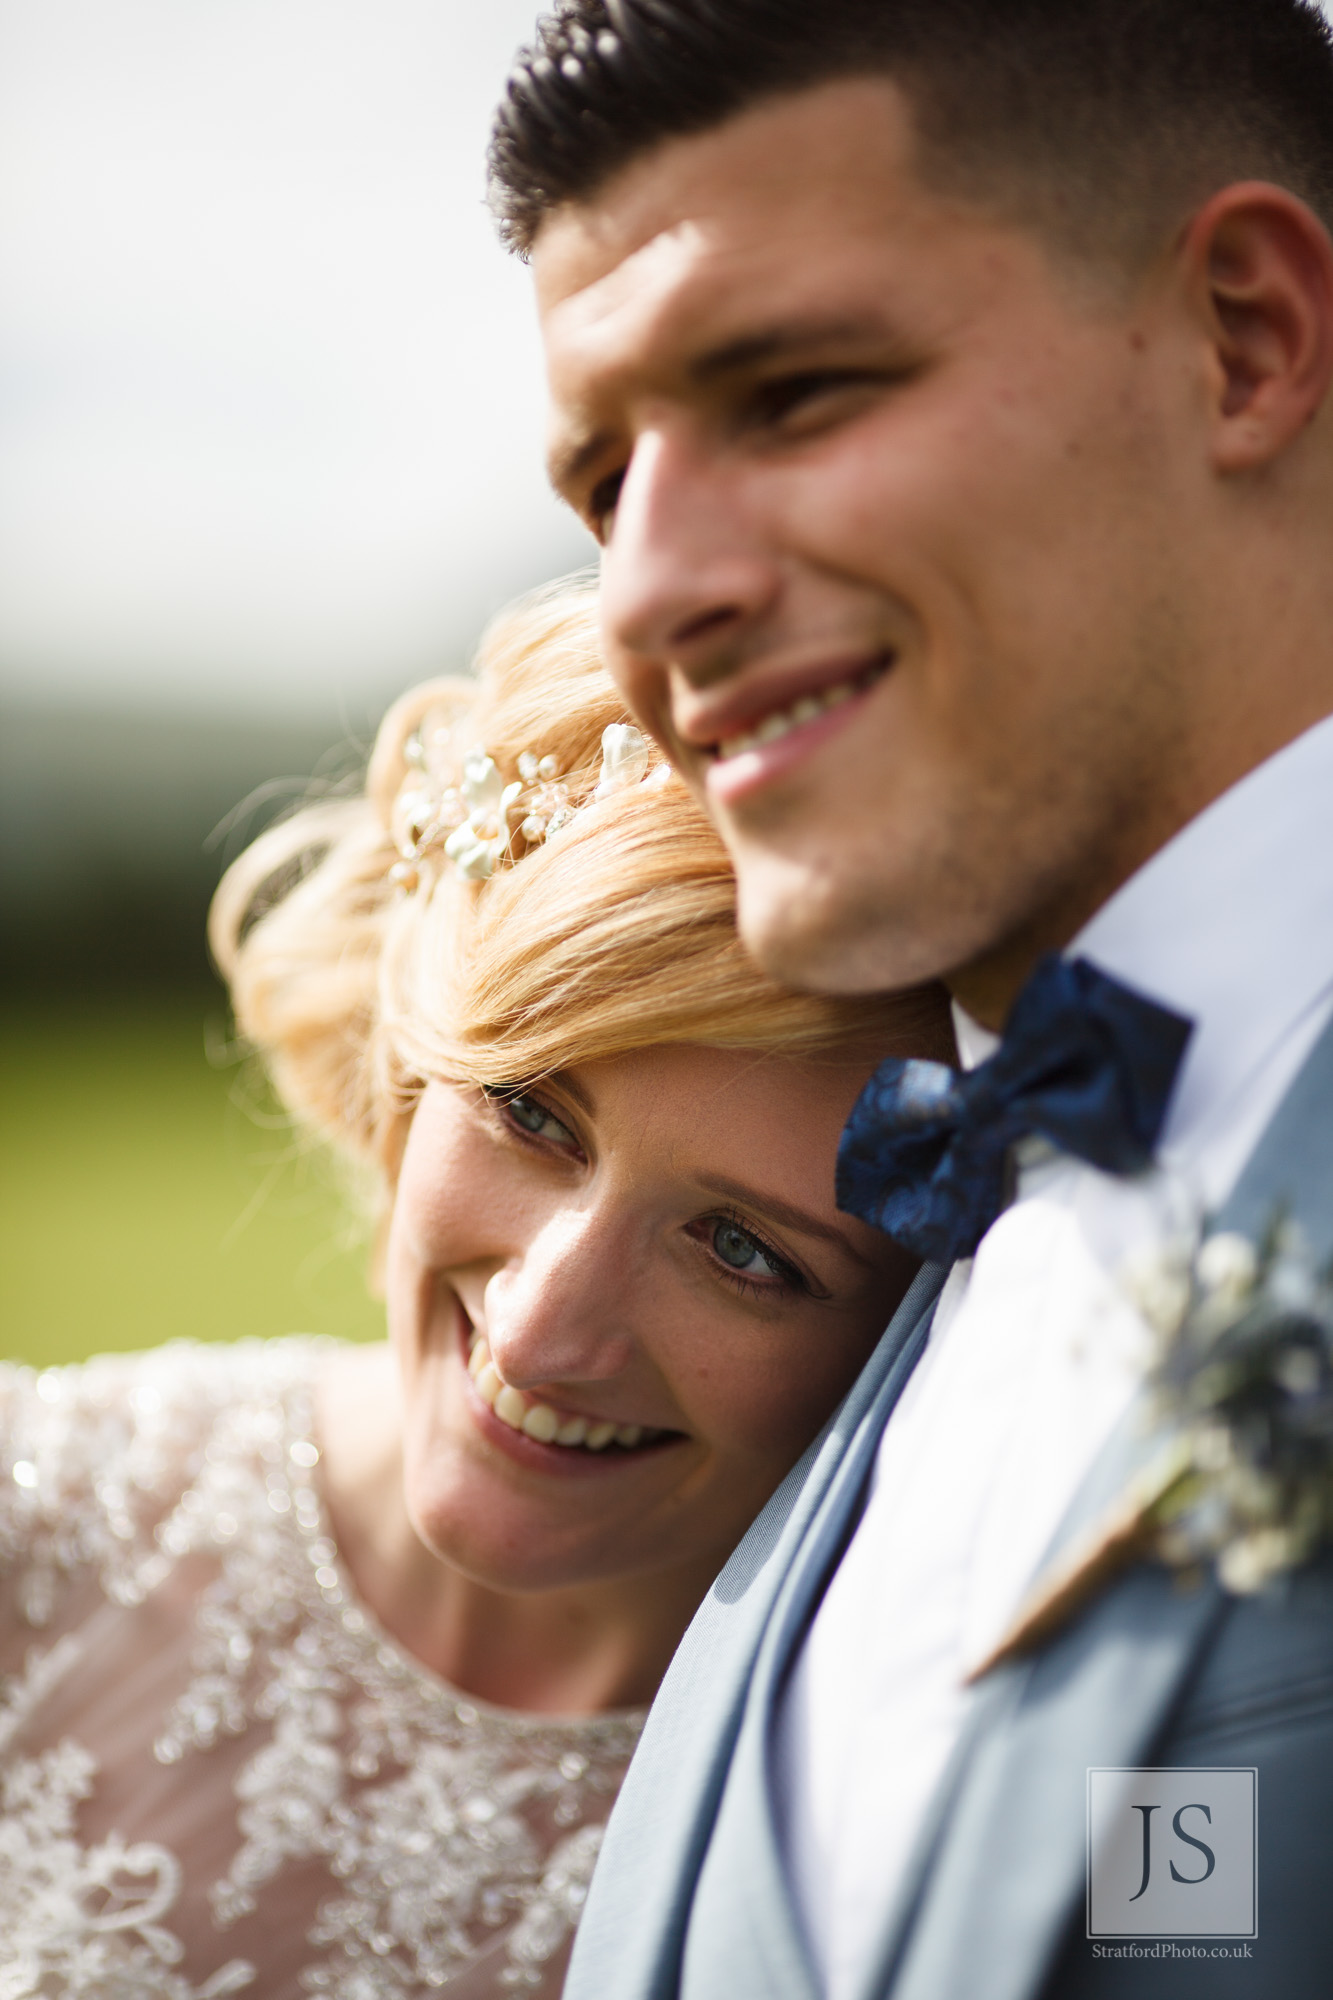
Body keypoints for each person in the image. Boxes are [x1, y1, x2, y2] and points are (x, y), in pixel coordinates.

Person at [487, 3, 1333, 1996]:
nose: (647, 593)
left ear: (1244, 336)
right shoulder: (865, 1278)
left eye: (788, 389)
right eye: (605, 482)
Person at [0, 587, 950, 1997]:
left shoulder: (938, 1817)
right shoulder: (37, 1520)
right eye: (528, 1112)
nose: (540, 1328)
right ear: (411, 1055)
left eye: (745, 1252)